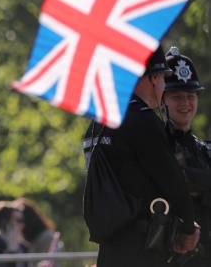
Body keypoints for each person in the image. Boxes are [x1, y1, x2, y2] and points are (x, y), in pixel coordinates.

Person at [83, 45, 199, 267]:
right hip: (141, 248)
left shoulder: (97, 124)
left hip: (109, 251)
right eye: (164, 78)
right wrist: (187, 229)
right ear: (154, 77)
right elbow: (174, 183)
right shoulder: (142, 120)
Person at [161, 47, 211, 266]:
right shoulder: (155, 146)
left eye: (191, 96)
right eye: (176, 96)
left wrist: (194, 185)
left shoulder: (205, 150)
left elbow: (181, 179)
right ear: (161, 100)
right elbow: (171, 182)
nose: (185, 103)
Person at [0, 201, 29, 267]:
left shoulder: (24, 247)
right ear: (4, 222)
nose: (23, 225)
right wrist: (11, 251)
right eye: (19, 220)